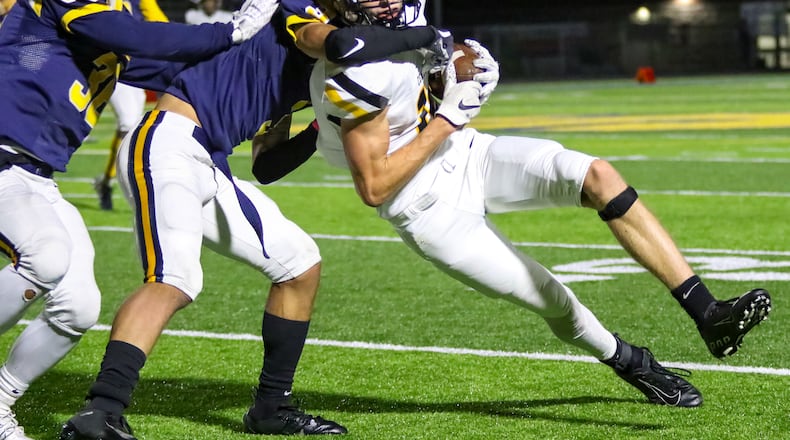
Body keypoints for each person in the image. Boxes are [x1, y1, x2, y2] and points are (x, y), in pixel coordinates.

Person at [260, 0, 772, 406]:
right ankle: (629, 360)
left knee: (595, 174)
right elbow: (374, 187)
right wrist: (449, 117)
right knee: (551, 298)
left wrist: (466, 63)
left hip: (467, 154)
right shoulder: (346, 71)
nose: (389, 1)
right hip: (423, 205)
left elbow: (440, 54)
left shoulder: (401, 19)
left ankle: (709, 313)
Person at [59, 1, 455, 438]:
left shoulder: (331, 72)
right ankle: (100, 410)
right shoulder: (306, 16)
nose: (384, 4)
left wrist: (320, 129)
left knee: (299, 265)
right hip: (168, 139)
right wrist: (427, 37)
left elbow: (266, 165)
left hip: (208, 160)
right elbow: (341, 44)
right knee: (173, 279)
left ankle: (271, 406)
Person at [0, 0, 279, 437]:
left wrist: (262, 60)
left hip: (35, 176)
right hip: (3, 159)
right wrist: (230, 31)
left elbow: (163, 66)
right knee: (46, 256)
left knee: (77, 307)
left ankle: (0, 401)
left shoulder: (119, 11)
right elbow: (132, 36)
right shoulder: (95, 13)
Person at [94, 0, 171, 211]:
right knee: (128, 123)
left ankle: (107, 182)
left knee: (130, 126)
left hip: (132, 63)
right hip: (106, 61)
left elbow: (158, 19)